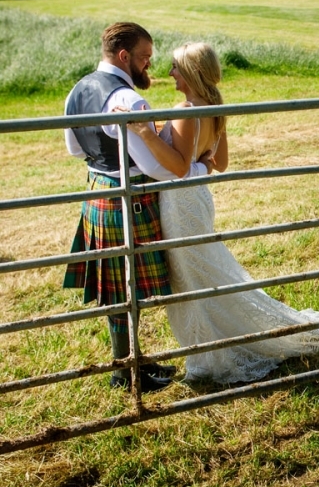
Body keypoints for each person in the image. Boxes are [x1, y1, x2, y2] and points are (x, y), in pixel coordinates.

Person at [128, 43, 319, 384]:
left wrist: (146, 136)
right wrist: (200, 161)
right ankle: (220, 342)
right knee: (202, 274)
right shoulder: (214, 107)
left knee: (191, 278)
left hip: (180, 205)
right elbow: (220, 163)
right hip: (196, 199)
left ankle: (214, 355)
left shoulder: (186, 109)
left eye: (176, 68)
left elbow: (179, 167)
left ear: (192, 72)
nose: (170, 73)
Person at [63, 23, 211, 392]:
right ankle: (126, 371)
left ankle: (131, 362)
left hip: (98, 188)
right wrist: (195, 168)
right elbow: (156, 167)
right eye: (145, 58)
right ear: (124, 56)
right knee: (124, 287)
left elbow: (74, 149)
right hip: (128, 196)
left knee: (119, 286)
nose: (149, 67)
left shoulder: (77, 89)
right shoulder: (129, 101)